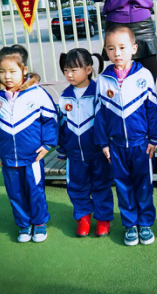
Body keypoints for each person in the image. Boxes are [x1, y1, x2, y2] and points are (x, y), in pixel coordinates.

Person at [0, 44, 58, 243]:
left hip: (32, 157)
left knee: (35, 191)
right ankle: (23, 225)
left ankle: (39, 223)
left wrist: (47, 144)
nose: (7, 76)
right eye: (2, 71)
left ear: (24, 70)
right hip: (7, 159)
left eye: (13, 71)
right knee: (15, 193)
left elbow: (51, 119)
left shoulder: (37, 93)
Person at [94, 25, 157, 246]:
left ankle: (145, 224)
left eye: (122, 47)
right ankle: (130, 224)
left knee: (144, 186)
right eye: (111, 48)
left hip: (141, 144)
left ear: (134, 48)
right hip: (115, 145)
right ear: (106, 51)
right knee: (122, 186)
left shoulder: (144, 75)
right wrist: (103, 142)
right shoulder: (103, 79)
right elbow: (99, 114)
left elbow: (152, 109)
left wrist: (153, 139)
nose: (117, 53)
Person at [57, 48, 114, 238]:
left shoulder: (99, 93)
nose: (69, 74)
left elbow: (106, 122)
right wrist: (62, 149)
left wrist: (107, 145)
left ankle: (103, 219)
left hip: (98, 153)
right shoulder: (64, 96)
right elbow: (61, 125)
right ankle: (83, 218)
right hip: (74, 155)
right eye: (66, 70)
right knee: (77, 186)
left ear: (89, 70)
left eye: (74, 70)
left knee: (101, 185)